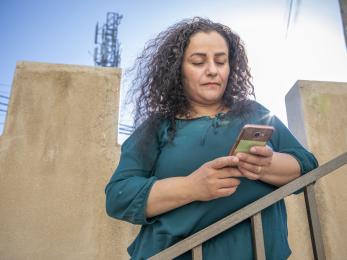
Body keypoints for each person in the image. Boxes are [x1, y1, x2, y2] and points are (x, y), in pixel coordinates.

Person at [105, 17, 318, 260]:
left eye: (221, 61)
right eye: (198, 62)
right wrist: (192, 187)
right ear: (177, 70)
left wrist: (265, 165)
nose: (212, 70)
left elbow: (306, 165)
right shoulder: (157, 126)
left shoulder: (255, 112)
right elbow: (118, 196)